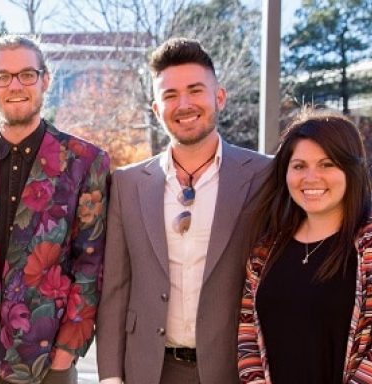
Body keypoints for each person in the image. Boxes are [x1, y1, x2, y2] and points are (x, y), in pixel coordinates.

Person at [96, 37, 270, 384]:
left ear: (219, 97)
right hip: (149, 370)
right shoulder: (128, 184)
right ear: (156, 110)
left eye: (195, 90)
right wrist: (111, 376)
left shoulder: (264, 175)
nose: (184, 104)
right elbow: (115, 287)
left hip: (234, 370)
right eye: (170, 95)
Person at [0, 34, 111, 383]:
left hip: (46, 361)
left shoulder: (85, 162)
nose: (14, 85)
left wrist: (68, 349)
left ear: (45, 80)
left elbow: (91, 261)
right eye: (2, 76)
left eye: (26, 74)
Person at [237, 109, 372, 383]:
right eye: (299, 166)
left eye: (327, 164)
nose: (311, 178)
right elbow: (247, 337)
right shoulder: (266, 249)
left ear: (351, 169)